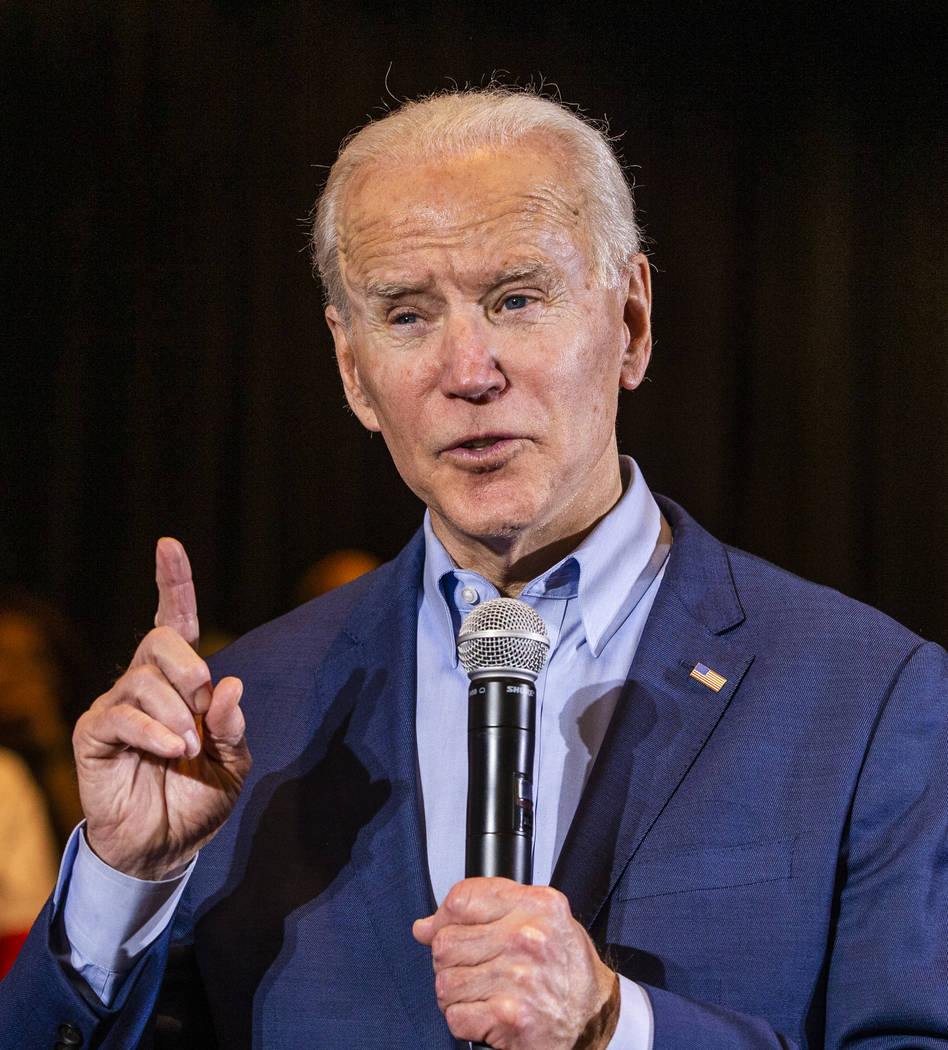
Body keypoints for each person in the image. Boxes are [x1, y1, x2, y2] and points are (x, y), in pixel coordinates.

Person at [1, 86, 946, 1049]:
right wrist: (123, 884)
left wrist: (616, 1027)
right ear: (351, 369)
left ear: (632, 323)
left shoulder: (870, 696)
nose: (469, 369)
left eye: (517, 299)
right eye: (407, 316)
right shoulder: (249, 710)